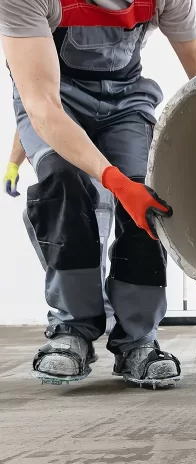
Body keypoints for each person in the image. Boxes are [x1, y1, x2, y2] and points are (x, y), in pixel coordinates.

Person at [0, 0, 196, 387]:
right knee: (63, 184)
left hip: (126, 101)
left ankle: (138, 339)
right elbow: (41, 103)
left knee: (150, 198)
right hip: (58, 101)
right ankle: (72, 330)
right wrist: (113, 183)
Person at [4, 131, 118, 333]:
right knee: (57, 243)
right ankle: (77, 313)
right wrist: (13, 164)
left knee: (92, 248)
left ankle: (96, 315)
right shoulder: (45, 102)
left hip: (96, 176)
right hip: (61, 177)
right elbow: (28, 119)